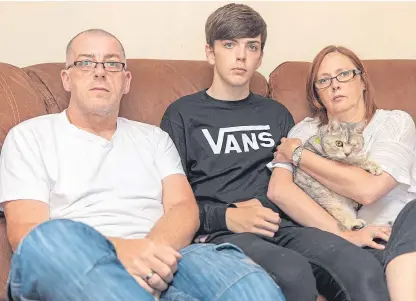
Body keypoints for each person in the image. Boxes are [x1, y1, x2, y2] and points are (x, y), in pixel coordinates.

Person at [0, 28, 286, 301]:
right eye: (85, 62)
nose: (100, 71)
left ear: (126, 81)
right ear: (66, 78)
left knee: (245, 281)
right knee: (49, 237)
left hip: (167, 256)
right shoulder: (29, 136)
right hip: (77, 259)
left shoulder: (154, 138)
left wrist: (149, 257)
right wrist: (123, 253)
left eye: (112, 64)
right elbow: (27, 230)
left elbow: (184, 208)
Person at [161, 3, 388, 301]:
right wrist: (225, 217)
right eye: (229, 45)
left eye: (251, 46)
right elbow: (171, 202)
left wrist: (341, 231)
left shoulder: (277, 114)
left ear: (260, 56)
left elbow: (298, 182)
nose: (241, 55)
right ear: (210, 52)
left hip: (286, 226)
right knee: (292, 273)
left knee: (363, 267)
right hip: (224, 233)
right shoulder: (182, 114)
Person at [269, 44, 416, 301]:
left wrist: (300, 156)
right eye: (323, 81)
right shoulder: (304, 131)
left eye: (344, 74)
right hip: (352, 242)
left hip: (403, 231)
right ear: (317, 96)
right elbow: (279, 189)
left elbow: (369, 190)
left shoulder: (395, 122)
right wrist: (345, 235)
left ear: (362, 82)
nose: (335, 85)